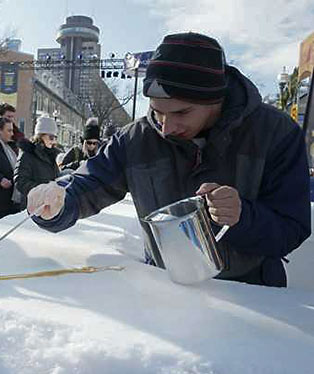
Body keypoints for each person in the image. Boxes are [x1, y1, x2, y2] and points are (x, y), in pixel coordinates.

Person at [27, 32, 311, 288]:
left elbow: (292, 229)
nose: (165, 127)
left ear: (216, 99)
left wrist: (242, 217)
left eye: (181, 113)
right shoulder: (135, 139)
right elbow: (90, 182)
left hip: (252, 296)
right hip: (165, 293)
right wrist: (59, 199)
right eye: (157, 111)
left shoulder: (276, 134)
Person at [14, 116, 61, 210]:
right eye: (51, 137)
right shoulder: (27, 154)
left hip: (49, 207)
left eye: (55, 137)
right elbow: (20, 181)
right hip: (33, 207)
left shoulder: (51, 156)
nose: (54, 141)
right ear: (40, 136)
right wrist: (43, 190)